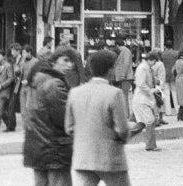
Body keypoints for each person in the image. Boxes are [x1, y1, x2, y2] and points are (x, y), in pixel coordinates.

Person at [66, 49, 131, 186]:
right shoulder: (115, 93)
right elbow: (123, 129)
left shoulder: (75, 92)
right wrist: (122, 139)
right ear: (110, 70)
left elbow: (69, 127)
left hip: (83, 157)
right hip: (110, 157)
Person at [23, 46, 74, 186]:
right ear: (53, 62)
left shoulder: (38, 80)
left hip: (37, 146)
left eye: (71, 61)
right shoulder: (54, 84)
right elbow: (64, 119)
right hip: (54, 148)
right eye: (65, 60)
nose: (70, 65)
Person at [130, 51, 161, 150]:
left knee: (142, 123)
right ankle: (150, 146)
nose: (155, 64)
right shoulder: (142, 68)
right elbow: (141, 83)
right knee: (150, 120)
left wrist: (155, 81)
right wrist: (151, 91)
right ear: (151, 60)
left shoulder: (147, 68)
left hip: (144, 99)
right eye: (154, 61)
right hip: (142, 99)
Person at [113, 36, 134, 118]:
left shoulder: (123, 51)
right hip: (126, 77)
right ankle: (125, 114)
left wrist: (122, 75)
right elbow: (126, 63)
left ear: (117, 45)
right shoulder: (126, 51)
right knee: (124, 95)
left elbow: (125, 63)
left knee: (123, 96)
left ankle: (125, 114)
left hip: (124, 77)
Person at [18, 45, 38, 125]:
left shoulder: (35, 61)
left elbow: (37, 75)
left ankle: (31, 125)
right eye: (22, 53)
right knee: (23, 109)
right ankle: (25, 126)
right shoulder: (22, 61)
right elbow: (19, 73)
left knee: (29, 107)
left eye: (24, 53)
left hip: (31, 87)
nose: (23, 55)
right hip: (22, 87)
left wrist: (28, 81)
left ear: (29, 52)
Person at [161, 39, 180, 116]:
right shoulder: (177, 53)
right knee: (175, 92)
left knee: (166, 93)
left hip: (165, 74)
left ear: (165, 46)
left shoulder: (162, 54)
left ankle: (168, 111)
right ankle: (178, 110)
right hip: (174, 74)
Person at [151, 50, 169, 126]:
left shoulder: (151, 64)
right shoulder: (160, 64)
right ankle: (160, 118)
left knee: (155, 103)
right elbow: (162, 75)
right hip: (159, 85)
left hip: (153, 85)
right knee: (160, 102)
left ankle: (157, 119)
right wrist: (162, 86)